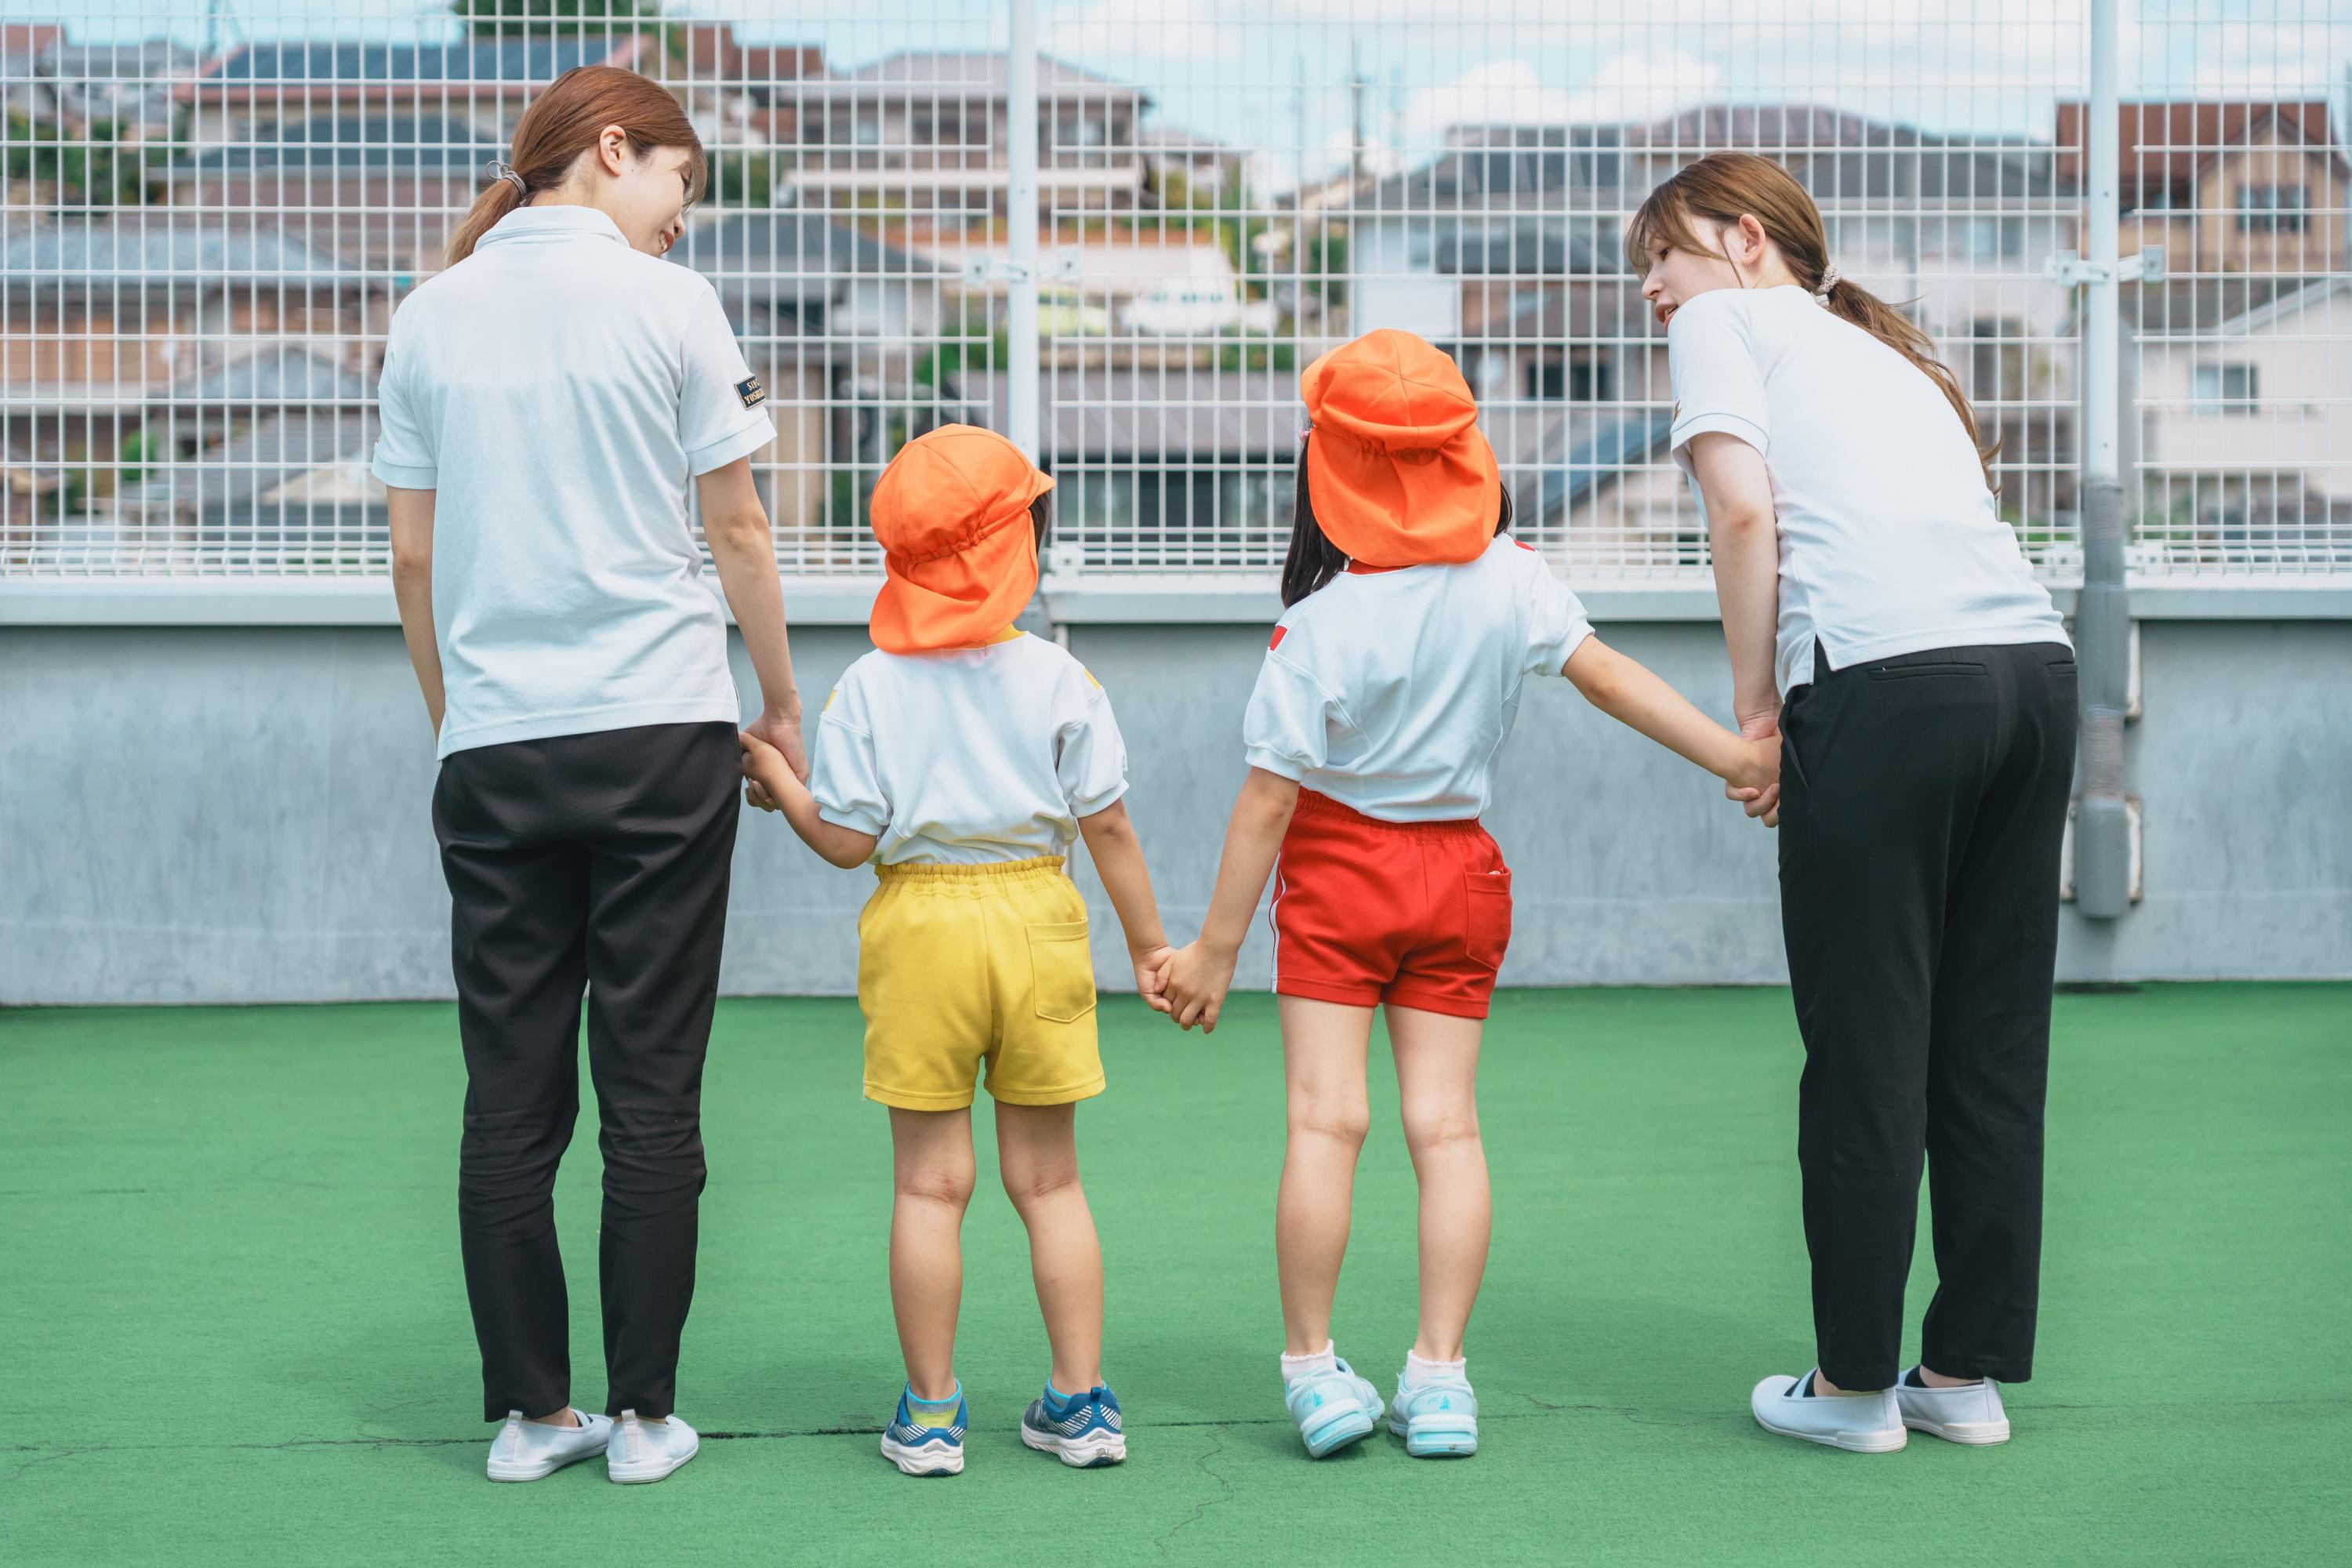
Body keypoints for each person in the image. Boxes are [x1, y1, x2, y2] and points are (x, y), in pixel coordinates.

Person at [1160, 330, 1780, 1460]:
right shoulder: (1515, 577)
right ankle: (1441, 1380)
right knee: (1447, 1130)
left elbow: (1264, 807)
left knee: (1324, 1122)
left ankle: (1312, 1371)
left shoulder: (1320, 624)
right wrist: (1738, 760)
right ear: (1464, 455)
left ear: (1329, 468)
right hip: (1462, 876)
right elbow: (1616, 681)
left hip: (1341, 876)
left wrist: (1210, 952)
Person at [376, 65, 806, 1484]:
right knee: (651, 1091)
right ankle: (642, 1419)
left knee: (508, 1096)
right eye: (680, 179)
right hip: (661, 736)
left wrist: (461, 719)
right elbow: (737, 529)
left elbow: (416, 561)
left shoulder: (428, 316)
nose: (685, 215)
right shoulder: (669, 307)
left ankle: (531, 1418)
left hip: (496, 746)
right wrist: (784, 700)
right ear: (613, 149)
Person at [1632, 151, 2078, 1452]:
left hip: (1886, 692)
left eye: (1664, 249)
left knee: (1870, 1044)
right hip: (2032, 680)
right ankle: (1965, 1377)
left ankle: (1854, 1390)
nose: (1653, 285)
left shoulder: (1727, 319)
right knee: (1989, 1040)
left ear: (1745, 237)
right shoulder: (1887, 350)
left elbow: (1741, 519)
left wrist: (1757, 712)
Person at [737, 424, 1173, 1477]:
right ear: (1013, 545)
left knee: (931, 1187)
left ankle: (931, 1417)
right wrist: (1153, 947)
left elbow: (846, 842)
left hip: (920, 929)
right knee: (1052, 1185)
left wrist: (775, 778)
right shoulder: (1063, 679)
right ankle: (1081, 1403)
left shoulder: (868, 688)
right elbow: (1108, 824)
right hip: (1038, 918)